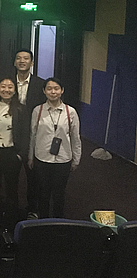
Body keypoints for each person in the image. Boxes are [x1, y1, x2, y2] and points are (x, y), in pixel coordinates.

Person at [28, 78, 81, 218]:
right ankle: (43, 221)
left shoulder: (70, 112)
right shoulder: (38, 110)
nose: (53, 92)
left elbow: (75, 137)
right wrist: (30, 156)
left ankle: (58, 220)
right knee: (43, 192)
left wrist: (76, 158)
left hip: (63, 158)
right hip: (42, 158)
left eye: (56, 88)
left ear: (62, 91)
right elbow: (33, 135)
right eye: (49, 89)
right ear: (44, 91)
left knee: (59, 193)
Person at [0, 78, 29, 229]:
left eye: (10, 87)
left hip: (11, 154)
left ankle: (11, 221)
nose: (6, 90)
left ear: (14, 90)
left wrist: (20, 155)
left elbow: (25, 133)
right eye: (3, 86)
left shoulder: (20, 109)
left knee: (11, 189)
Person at [14, 48, 46, 219]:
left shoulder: (40, 84)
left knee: (33, 176)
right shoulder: (6, 82)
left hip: (33, 134)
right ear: (15, 62)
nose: (22, 61)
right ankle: (11, 208)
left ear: (32, 63)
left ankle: (32, 209)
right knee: (10, 175)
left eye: (26, 58)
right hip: (11, 135)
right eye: (19, 58)